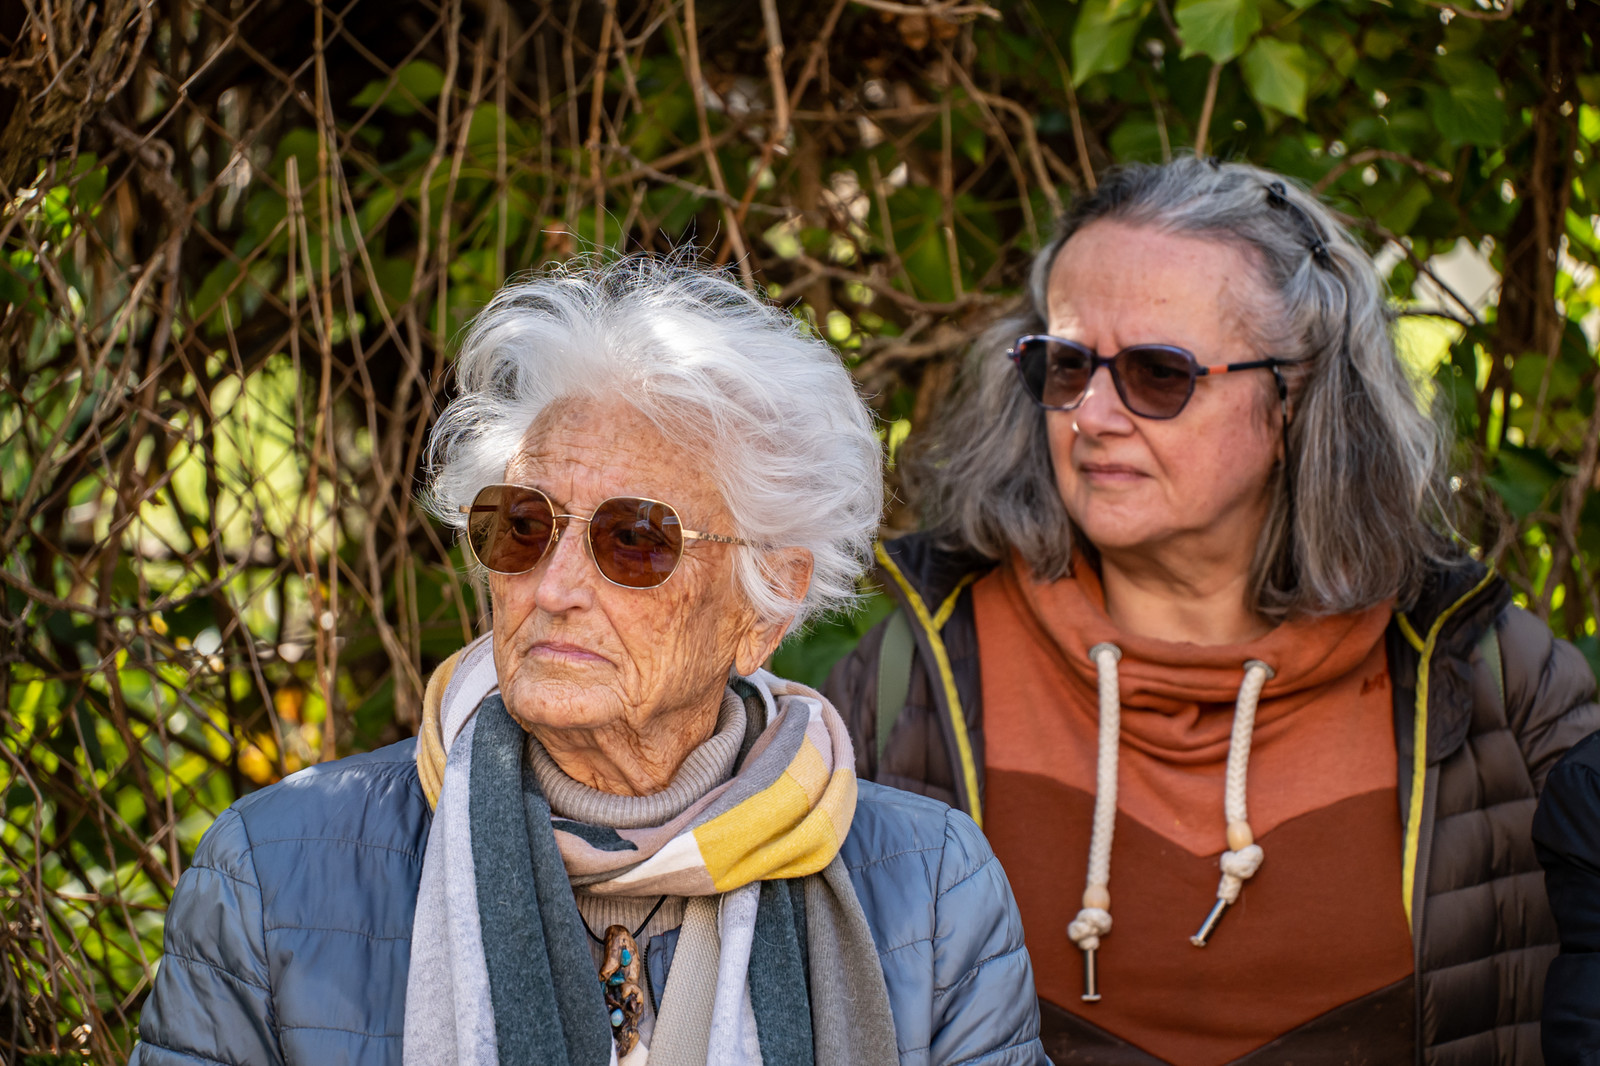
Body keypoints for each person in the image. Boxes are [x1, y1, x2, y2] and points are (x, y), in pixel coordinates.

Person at [129, 258, 1047, 1066]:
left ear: (765, 604)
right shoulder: (272, 875)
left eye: (635, 539)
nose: (556, 586)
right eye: (523, 525)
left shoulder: (931, 891)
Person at [825, 157, 1600, 1066]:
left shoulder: (1491, 675)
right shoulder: (910, 677)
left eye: (1159, 373)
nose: (1093, 416)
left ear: (1297, 394)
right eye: (1066, 365)